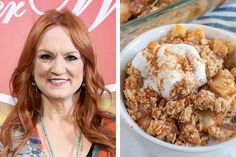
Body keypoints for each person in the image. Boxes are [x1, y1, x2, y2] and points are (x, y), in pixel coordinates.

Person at [0, 10, 115, 157]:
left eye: (71, 57)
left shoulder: (115, 131)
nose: (58, 69)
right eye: (46, 56)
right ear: (31, 67)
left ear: (86, 67)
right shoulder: (7, 140)